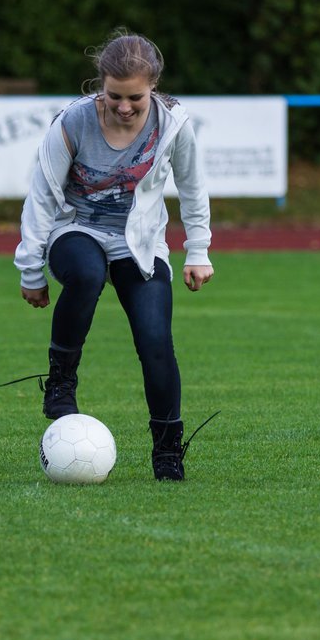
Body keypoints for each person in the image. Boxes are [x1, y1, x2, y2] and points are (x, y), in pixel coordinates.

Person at [14, 29, 214, 481]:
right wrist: (30, 270)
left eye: (136, 99)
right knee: (86, 273)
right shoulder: (73, 121)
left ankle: (167, 452)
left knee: (155, 343)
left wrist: (197, 250)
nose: (124, 107)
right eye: (115, 96)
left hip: (140, 242)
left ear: (153, 89)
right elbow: (42, 196)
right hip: (76, 230)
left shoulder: (173, 125)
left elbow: (193, 188)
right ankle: (61, 379)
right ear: (100, 85)